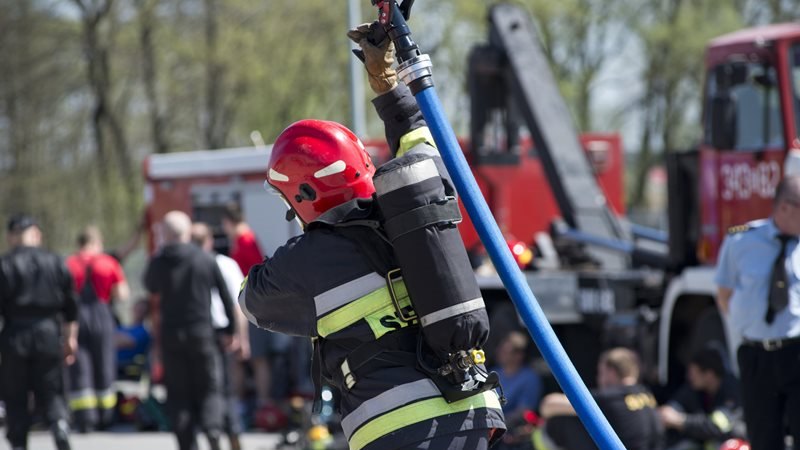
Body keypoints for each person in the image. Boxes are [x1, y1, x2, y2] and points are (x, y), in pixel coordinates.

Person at [239, 23, 506, 450]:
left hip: (397, 428)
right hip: (477, 410)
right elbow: (419, 139)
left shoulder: (305, 261)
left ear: (304, 194)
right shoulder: (414, 209)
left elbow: (252, 302)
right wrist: (388, 84)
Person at [715, 175, 800, 450]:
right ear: (786, 207)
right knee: (764, 438)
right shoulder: (741, 240)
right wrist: (751, 327)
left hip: (797, 351)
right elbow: (724, 295)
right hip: (757, 356)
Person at [144, 211, 238, 450]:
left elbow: (150, 286)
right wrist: (230, 330)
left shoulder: (158, 262)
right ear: (187, 232)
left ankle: (187, 444)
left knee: (178, 395)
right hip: (203, 335)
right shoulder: (205, 259)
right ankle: (213, 430)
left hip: (171, 337)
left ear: (165, 234)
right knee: (210, 389)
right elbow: (226, 297)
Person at [0, 215, 77, 450]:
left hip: (15, 334)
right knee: (52, 388)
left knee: (16, 394)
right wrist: (71, 338)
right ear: (37, 234)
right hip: (48, 333)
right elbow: (70, 306)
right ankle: (60, 423)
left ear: (11, 236)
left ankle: (19, 441)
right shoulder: (56, 262)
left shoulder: (5, 264)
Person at [65, 225, 129, 431]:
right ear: (96, 243)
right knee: (104, 362)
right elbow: (122, 294)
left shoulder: (68, 264)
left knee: (79, 365)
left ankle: (85, 419)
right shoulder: (108, 263)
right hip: (102, 315)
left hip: (75, 317)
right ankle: (106, 416)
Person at [191, 222, 249, 450]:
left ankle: (213, 434)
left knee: (204, 390)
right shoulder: (225, 264)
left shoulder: (189, 266)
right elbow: (238, 305)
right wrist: (241, 338)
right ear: (210, 241)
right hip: (223, 333)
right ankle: (232, 437)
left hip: (199, 335)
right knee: (224, 389)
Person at [536, 348, 663, 450]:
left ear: (611, 372)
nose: (598, 379)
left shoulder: (610, 398)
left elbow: (547, 405)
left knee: (551, 426)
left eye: (600, 373)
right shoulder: (646, 394)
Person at [658, 348, 745, 450]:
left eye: (693, 374)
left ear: (709, 375)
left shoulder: (732, 391)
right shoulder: (696, 390)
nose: (688, 377)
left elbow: (717, 426)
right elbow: (678, 403)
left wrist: (681, 421)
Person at [115, 299, 151, 381]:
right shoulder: (122, 327)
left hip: (124, 368)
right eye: (138, 308)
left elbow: (128, 342)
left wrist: (111, 338)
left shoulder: (143, 331)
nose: (139, 311)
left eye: (142, 310)